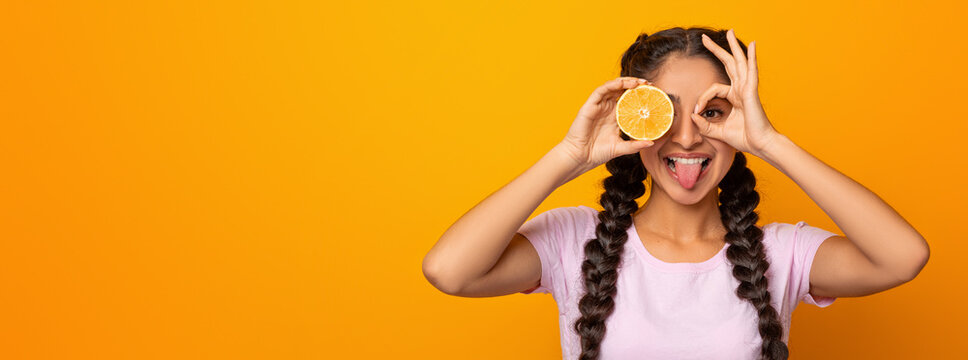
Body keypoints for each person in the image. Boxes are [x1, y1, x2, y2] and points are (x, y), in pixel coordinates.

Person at [422, 26, 929, 360]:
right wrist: (569, 157)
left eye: (710, 112)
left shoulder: (780, 253)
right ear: (632, 119)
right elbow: (449, 270)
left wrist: (770, 143)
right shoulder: (575, 240)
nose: (686, 138)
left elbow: (903, 257)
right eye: (664, 111)